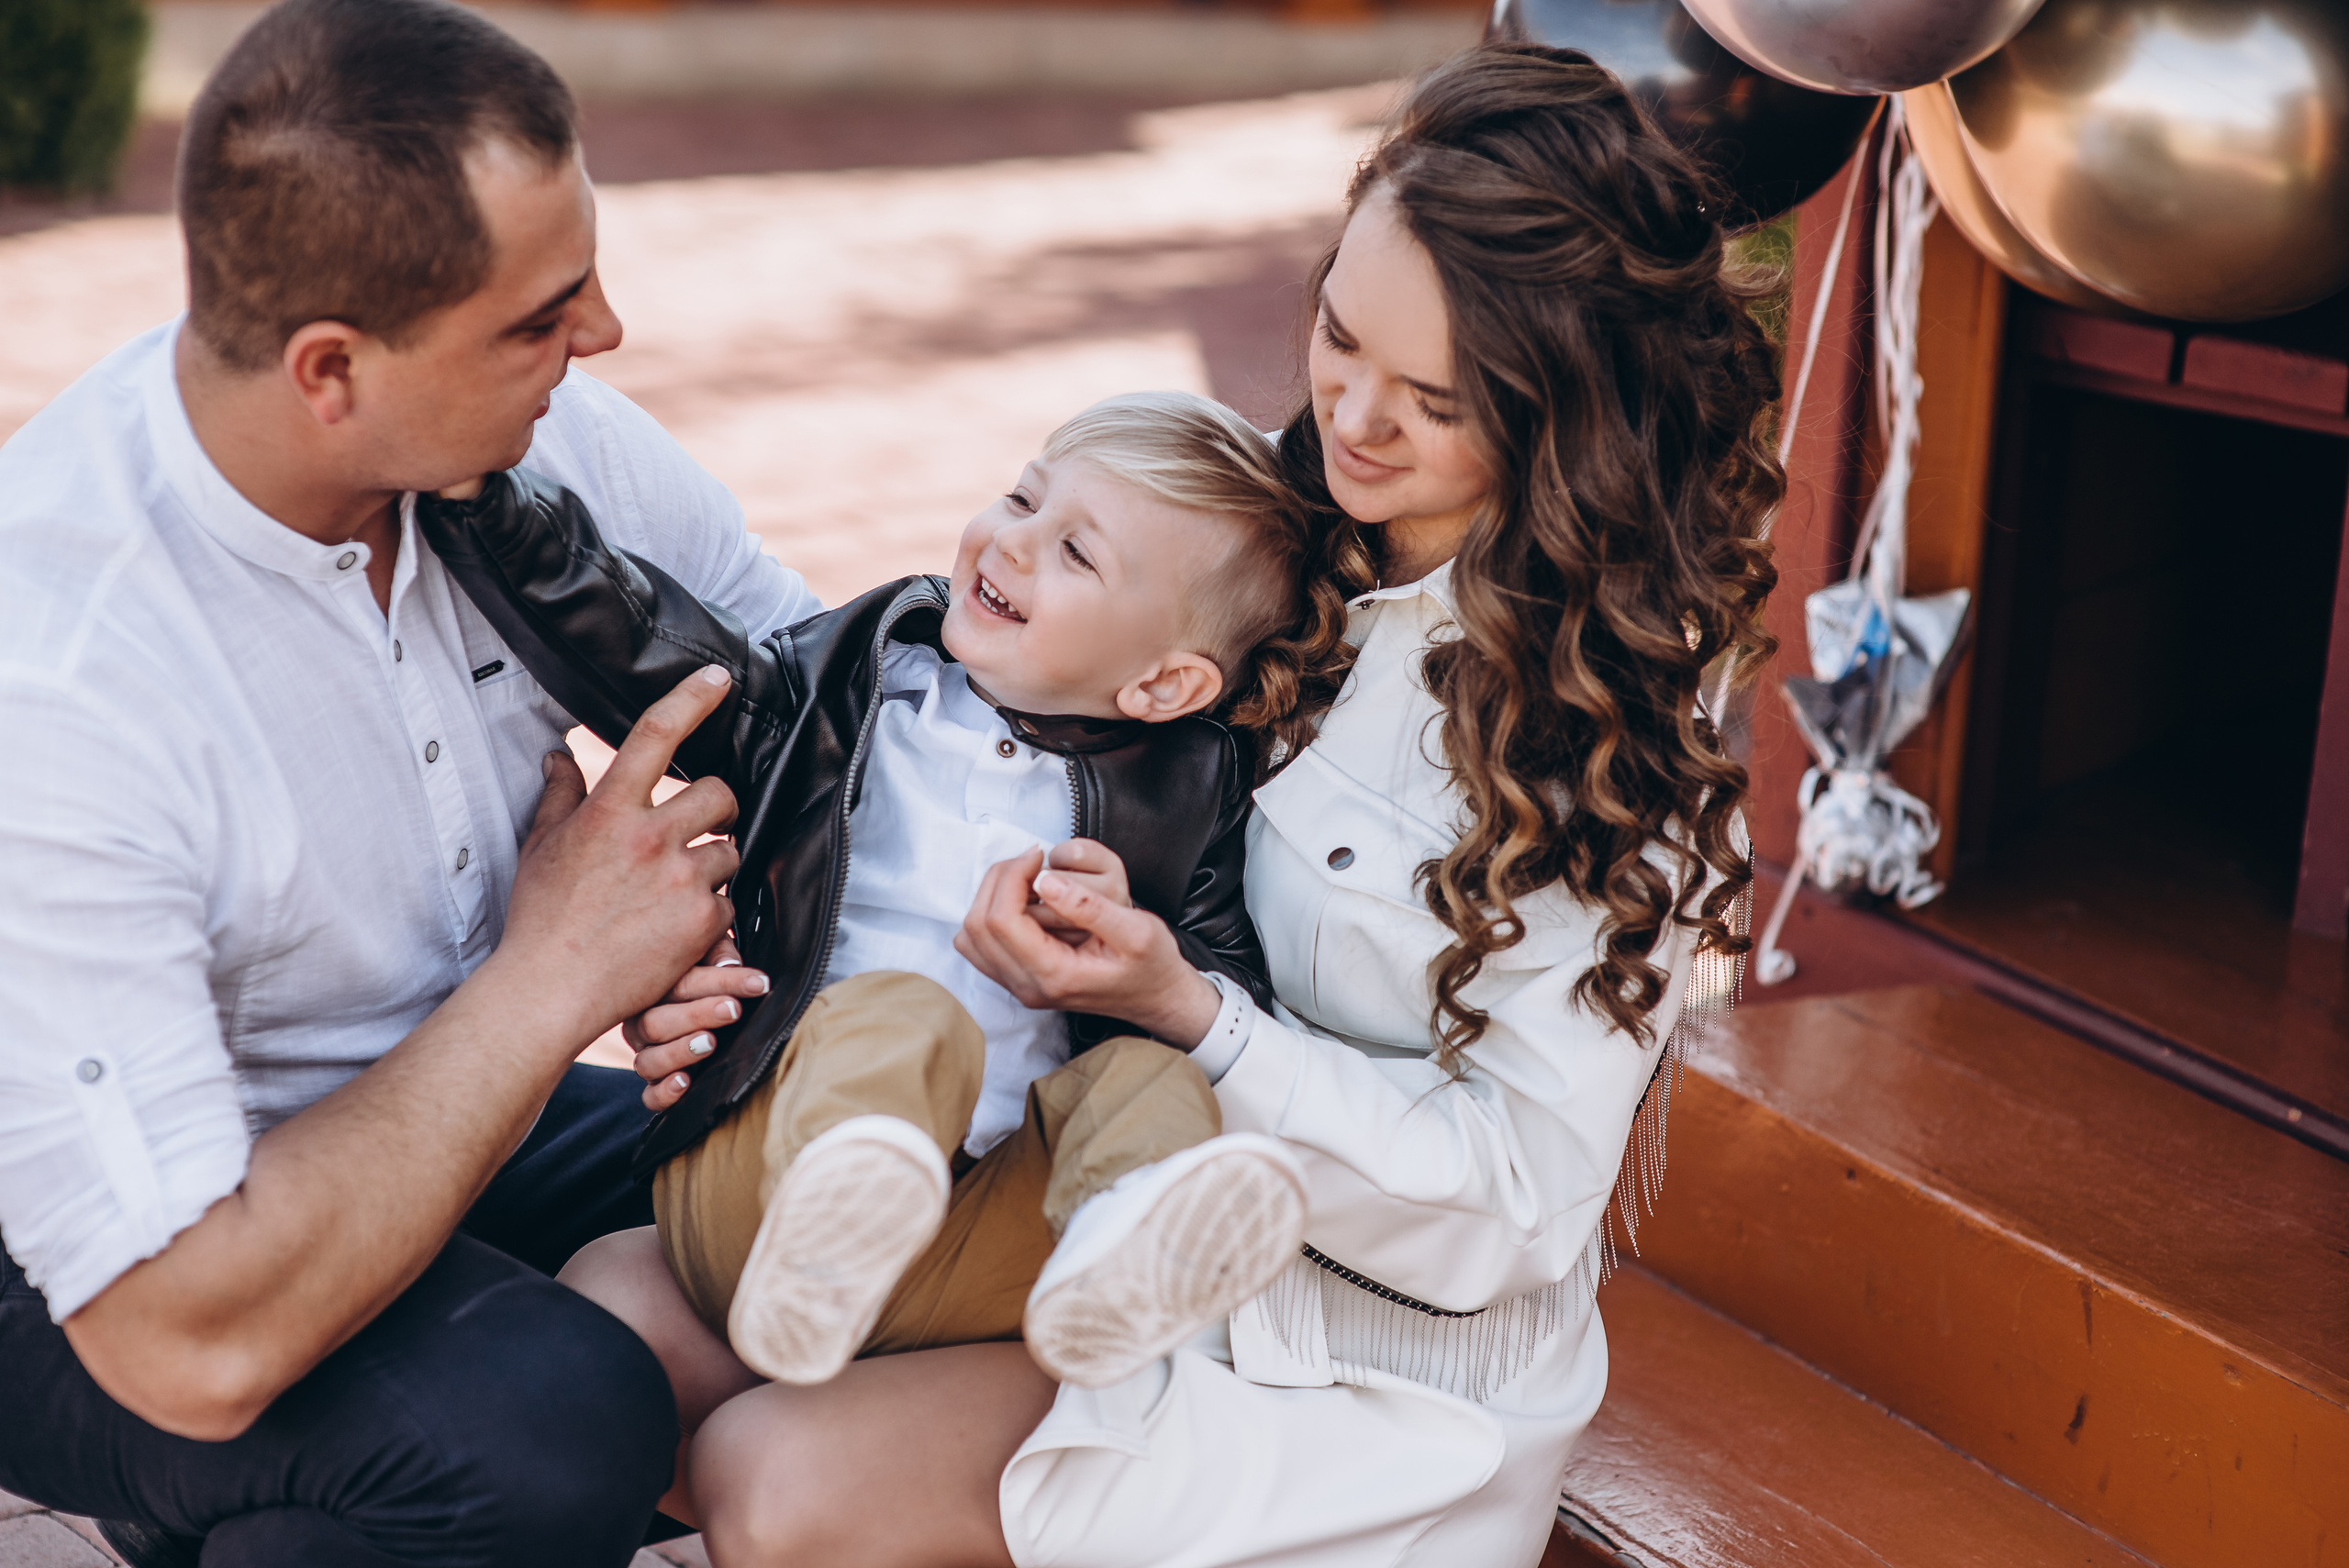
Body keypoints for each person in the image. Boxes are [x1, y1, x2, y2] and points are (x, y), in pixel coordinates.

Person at [595, 41, 1781, 1568]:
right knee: (609, 1330)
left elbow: (1510, 1212)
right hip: (1070, 1179)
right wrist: (741, 961)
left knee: (770, 1472)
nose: (1351, 417)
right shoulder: (1265, 551)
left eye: (1436, 399)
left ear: (1568, 411)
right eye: (1339, 335)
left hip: (1355, 1356)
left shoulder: (1605, 754)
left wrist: (1197, 1015)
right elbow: (923, 738)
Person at [0, 2, 822, 1563]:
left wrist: (715, 915)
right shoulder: (61, 675)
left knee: (851, 1189)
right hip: (104, 1259)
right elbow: (179, 1329)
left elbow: (813, 685)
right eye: (540, 317)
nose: (603, 341)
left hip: (450, 1112)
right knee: (549, 1414)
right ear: (331, 370)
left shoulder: (524, 435)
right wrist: (565, 965)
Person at [412, 390, 1316, 1396]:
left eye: (1077, 554)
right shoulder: (854, 690)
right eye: (1023, 500)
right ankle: (836, 1217)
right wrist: (487, 506)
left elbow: (1224, 984)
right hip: (762, 1196)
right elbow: (642, 640)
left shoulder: (1188, 794)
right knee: (909, 1017)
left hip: (983, 1241)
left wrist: (1146, 959)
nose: (1013, 546)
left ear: (1161, 686)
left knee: (1158, 1085)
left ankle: (1116, 1267)